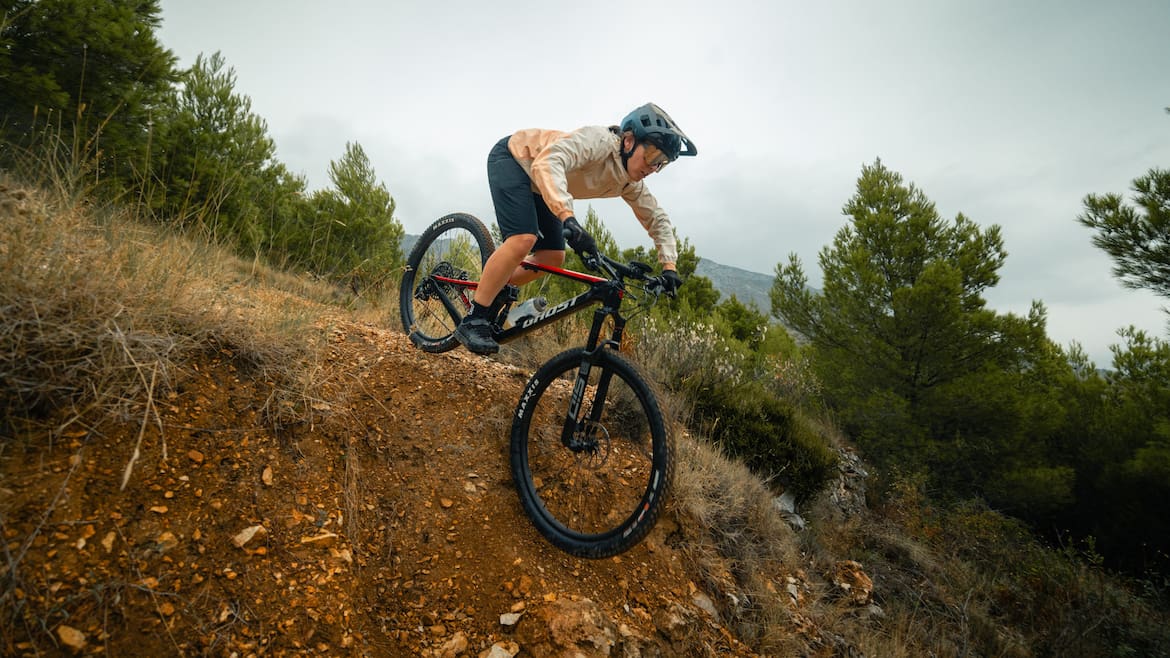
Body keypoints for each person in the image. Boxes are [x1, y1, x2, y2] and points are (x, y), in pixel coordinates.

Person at [454, 102, 697, 355]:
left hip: (542, 183)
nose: (654, 168)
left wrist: (669, 268)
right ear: (628, 141)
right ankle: (474, 318)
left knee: (552, 258)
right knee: (523, 238)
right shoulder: (600, 142)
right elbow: (548, 162)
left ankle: (494, 284)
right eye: (653, 157)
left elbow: (657, 218)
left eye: (662, 163)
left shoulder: (629, 182)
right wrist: (568, 217)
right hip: (516, 158)